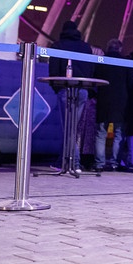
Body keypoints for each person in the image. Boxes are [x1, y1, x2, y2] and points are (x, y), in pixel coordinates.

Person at [49, 20, 94, 171]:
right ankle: (62, 161)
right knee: (73, 127)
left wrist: (57, 88)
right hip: (82, 90)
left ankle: (74, 163)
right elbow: (91, 69)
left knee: (69, 128)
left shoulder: (58, 45)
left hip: (65, 88)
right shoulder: (86, 47)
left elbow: (53, 70)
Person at [93, 39, 132, 171]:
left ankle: (99, 164)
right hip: (121, 102)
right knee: (119, 134)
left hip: (104, 100)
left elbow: (95, 79)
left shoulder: (101, 61)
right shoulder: (125, 62)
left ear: (108, 48)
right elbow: (131, 83)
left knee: (101, 133)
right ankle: (115, 162)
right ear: (120, 49)